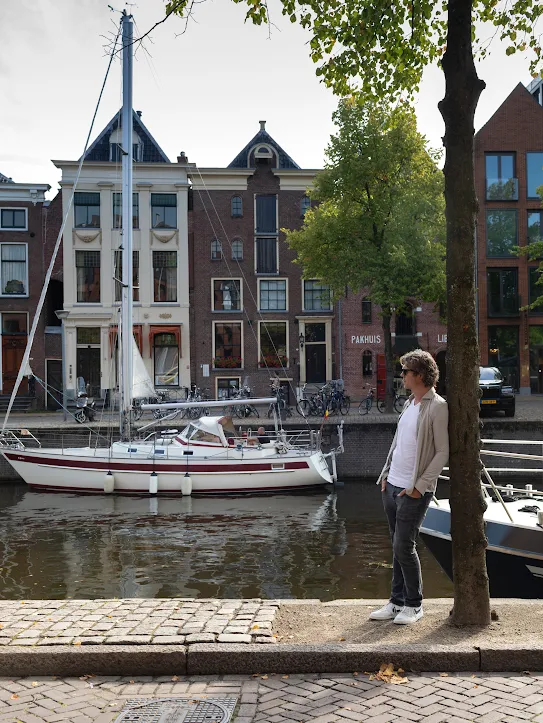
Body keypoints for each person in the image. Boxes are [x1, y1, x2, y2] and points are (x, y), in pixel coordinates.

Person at [370, 349, 448, 625]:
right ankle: (396, 602)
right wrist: (385, 474)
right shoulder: (409, 404)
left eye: (405, 372)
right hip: (392, 485)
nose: (401, 376)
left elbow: (442, 452)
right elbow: (398, 443)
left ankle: (414, 605)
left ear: (419, 375)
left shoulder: (437, 406)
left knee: (404, 545)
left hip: (413, 490)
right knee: (396, 546)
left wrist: (420, 486)